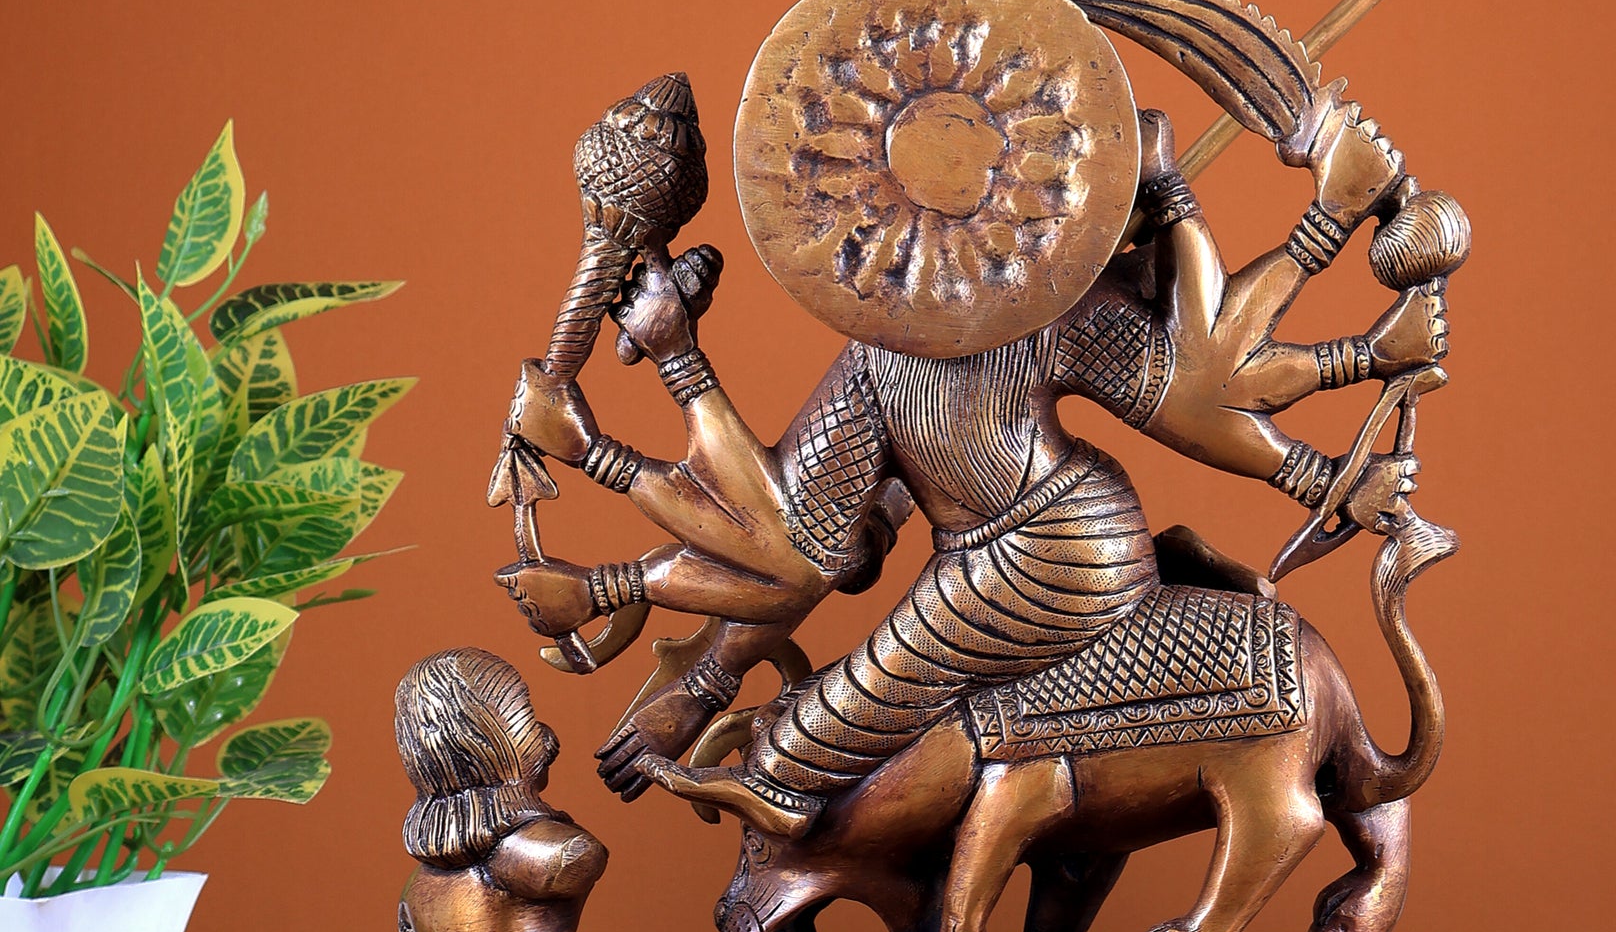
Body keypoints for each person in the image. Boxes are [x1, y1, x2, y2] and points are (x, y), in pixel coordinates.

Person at [500, 83, 1448, 840]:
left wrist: (622, 428)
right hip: (1036, 547)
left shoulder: (1024, 313)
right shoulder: (898, 346)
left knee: (787, 763)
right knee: (800, 742)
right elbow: (809, 546)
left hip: (1043, 562)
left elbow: (1195, 395)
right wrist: (693, 673)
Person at [394, 646, 828, 932]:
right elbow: (572, 860)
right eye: (528, 720)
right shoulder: (518, 844)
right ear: (495, 743)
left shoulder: (422, 881)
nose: (544, 732)